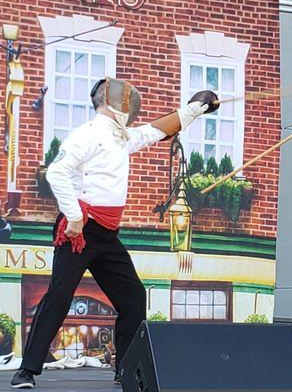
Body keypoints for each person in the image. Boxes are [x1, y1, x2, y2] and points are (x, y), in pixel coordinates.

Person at [10, 77, 217, 389]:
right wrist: (75, 217)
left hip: (106, 235)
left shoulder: (121, 137)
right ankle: (26, 370)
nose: (131, 104)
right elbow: (57, 172)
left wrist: (194, 109)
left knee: (133, 297)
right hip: (79, 232)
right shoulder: (88, 134)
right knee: (59, 296)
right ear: (112, 102)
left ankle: (125, 369)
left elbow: (154, 131)